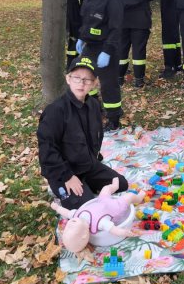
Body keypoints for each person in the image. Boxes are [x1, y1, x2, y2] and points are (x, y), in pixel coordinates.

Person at [37, 57, 129, 211]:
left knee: (121, 183)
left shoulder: (93, 105)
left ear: (94, 83)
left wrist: (94, 160)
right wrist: (67, 176)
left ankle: (87, 183)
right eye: (77, 78)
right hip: (63, 172)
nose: (81, 83)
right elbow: (47, 151)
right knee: (88, 207)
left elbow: (94, 138)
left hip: (87, 165)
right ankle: (64, 187)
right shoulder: (55, 111)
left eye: (87, 80)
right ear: (68, 79)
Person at [76, 0, 124, 131]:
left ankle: (114, 119)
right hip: (90, 46)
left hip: (106, 48)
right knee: (87, 78)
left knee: (109, 84)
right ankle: (94, 109)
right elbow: (86, 20)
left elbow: (116, 29)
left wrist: (108, 51)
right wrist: (82, 37)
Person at [50, 178, 144, 254]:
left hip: (101, 201)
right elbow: (114, 230)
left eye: (68, 227)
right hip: (115, 208)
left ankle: (115, 186)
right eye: (72, 228)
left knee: (105, 189)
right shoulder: (99, 223)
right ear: (84, 236)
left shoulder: (77, 216)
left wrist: (57, 208)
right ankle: (139, 198)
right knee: (130, 196)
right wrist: (125, 232)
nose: (70, 223)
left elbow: (67, 212)